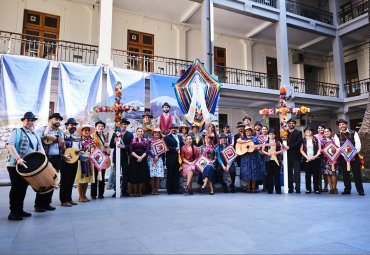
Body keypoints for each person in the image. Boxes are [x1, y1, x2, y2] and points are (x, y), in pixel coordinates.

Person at [6, 112, 44, 220]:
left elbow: (40, 148)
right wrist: (18, 158)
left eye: (32, 120)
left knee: (23, 188)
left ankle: (20, 210)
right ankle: (13, 212)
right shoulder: (17, 131)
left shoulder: (35, 134)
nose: (30, 122)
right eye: (28, 120)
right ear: (23, 121)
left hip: (27, 166)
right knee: (16, 188)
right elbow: (10, 145)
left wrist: (43, 161)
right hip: (15, 164)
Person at [35, 112, 65, 212]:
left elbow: (62, 148)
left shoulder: (60, 132)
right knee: (43, 181)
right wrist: (46, 137)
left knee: (53, 181)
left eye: (60, 119)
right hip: (46, 158)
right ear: (50, 120)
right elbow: (36, 139)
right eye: (56, 119)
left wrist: (62, 144)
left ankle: (47, 203)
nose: (58, 121)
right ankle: (39, 205)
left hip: (57, 159)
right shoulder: (43, 129)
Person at [334, 119, 365, 196]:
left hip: (354, 155)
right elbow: (338, 147)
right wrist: (345, 156)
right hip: (343, 157)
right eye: (340, 125)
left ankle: (360, 190)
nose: (342, 126)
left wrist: (352, 155)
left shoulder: (354, 132)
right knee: (345, 173)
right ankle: (347, 189)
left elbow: (358, 145)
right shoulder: (337, 134)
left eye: (343, 124)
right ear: (339, 126)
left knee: (357, 173)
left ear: (346, 124)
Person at [109, 118, 133, 197]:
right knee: (116, 174)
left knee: (125, 174)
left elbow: (131, 146)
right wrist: (114, 141)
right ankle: (116, 191)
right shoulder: (115, 133)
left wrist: (124, 146)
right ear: (120, 125)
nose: (123, 126)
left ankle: (124, 190)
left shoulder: (130, 134)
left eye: (125, 124)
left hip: (125, 157)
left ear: (127, 125)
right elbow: (111, 146)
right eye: (122, 124)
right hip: (116, 156)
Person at [60, 118, 80, 207]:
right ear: (67, 126)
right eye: (71, 125)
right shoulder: (63, 135)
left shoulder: (77, 136)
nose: (73, 126)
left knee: (71, 180)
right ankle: (64, 200)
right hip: (65, 160)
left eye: (74, 125)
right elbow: (59, 148)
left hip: (74, 160)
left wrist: (81, 151)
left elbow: (77, 147)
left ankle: (69, 198)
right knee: (65, 180)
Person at [237, 126, 261, 193]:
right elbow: (237, 140)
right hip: (245, 157)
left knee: (253, 171)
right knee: (247, 171)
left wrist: (256, 148)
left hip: (253, 157)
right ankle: (248, 186)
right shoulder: (243, 138)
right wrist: (246, 141)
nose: (248, 132)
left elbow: (258, 147)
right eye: (246, 131)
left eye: (249, 130)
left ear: (251, 131)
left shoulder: (255, 138)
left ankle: (253, 187)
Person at [75, 124, 95, 202]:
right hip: (81, 160)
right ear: (82, 132)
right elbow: (77, 150)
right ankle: (80, 196)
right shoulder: (78, 140)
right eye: (85, 130)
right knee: (81, 179)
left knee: (87, 179)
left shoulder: (91, 140)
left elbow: (93, 150)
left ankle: (84, 195)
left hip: (89, 160)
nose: (87, 132)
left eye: (88, 130)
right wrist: (86, 147)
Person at [91, 120, 110, 199]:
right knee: (95, 176)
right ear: (96, 127)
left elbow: (106, 147)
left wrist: (107, 147)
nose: (100, 127)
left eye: (102, 126)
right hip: (95, 157)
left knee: (102, 175)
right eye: (99, 126)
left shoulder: (105, 135)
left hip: (103, 157)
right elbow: (91, 146)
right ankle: (93, 194)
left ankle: (101, 193)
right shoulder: (92, 135)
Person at [300, 126, 322, 194]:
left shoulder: (316, 139)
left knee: (316, 174)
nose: (308, 132)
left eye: (309, 130)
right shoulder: (303, 140)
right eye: (306, 131)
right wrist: (307, 157)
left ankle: (316, 189)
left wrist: (315, 156)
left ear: (312, 131)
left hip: (315, 159)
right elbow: (301, 150)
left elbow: (319, 149)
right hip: (307, 159)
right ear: (304, 132)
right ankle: (308, 189)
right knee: (308, 174)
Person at [129, 127, 149, 197]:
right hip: (134, 159)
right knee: (134, 175)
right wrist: (138, 157)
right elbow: (131, 150)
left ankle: (140, 192)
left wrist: (141, 157)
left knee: (141, 175)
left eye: (141, 131)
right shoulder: (133, 140)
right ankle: (135, 192)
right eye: (139, 131)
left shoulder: (145, 140)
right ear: (136, 132)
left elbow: (147, 150)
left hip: (143, 159)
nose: (140, 132)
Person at [262, 128, 283, 194]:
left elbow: (282, 150)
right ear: (268, 135)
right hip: (268, 160)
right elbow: (262, 150)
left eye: (273, 134)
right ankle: (270, 190)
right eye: (270, 134)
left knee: (277, 175)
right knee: (269, 175)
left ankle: (278, 190)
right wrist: (268, 153)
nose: (272, 135)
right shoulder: (266, 142)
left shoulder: (278, 142)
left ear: (275, 135)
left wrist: (277, 152)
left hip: (277, 160)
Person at [164, 124, 184, 194]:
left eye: (175, 128)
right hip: (171, 158)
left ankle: (176, 189)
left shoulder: (180, 137)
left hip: (179, 158)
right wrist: (174, 149)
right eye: (172, 128)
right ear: (170, 129)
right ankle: (169, 189)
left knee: (176, 174)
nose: (174, 129)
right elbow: (166, 147)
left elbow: (182, 146)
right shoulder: (167, 137)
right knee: (170, 174)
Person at [321, 128, 340, 194]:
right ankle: (331, 188)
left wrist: (334, 158)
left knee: (334, 173)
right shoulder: (322, 141)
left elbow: (338, 149)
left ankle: (335, 188)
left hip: (335, 159)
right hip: (326, 160)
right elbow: (321, 150)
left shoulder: (334, 140)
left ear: (331, 132)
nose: (326, 133)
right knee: (328, 174)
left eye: (328, 131)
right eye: (325, 132)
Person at [286, 118, 303, 193]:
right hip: (287, 155)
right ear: (288, 124)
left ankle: (298, 188)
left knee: (297, 173)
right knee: (289, 173)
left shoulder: (298, 132)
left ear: (295, 124)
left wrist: (289, 147)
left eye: (292, 123)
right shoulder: (284, 132)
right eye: (289, 123)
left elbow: (299, 142)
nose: (291, 124)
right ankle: (290, 188)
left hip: (296, 155)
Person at [147, 128, 165, 195]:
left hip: (159, 159)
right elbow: (148, 149)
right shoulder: (149, 140)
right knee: (152, 175)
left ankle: (156, 189)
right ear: (153, 133)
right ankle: (152, 189)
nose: (156, 134)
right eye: (155, 132)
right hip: (151, 159)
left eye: (158, 132)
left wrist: (158, 156)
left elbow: (163, 150)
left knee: (158, 175)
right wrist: (153, 156)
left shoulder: (161, 140)